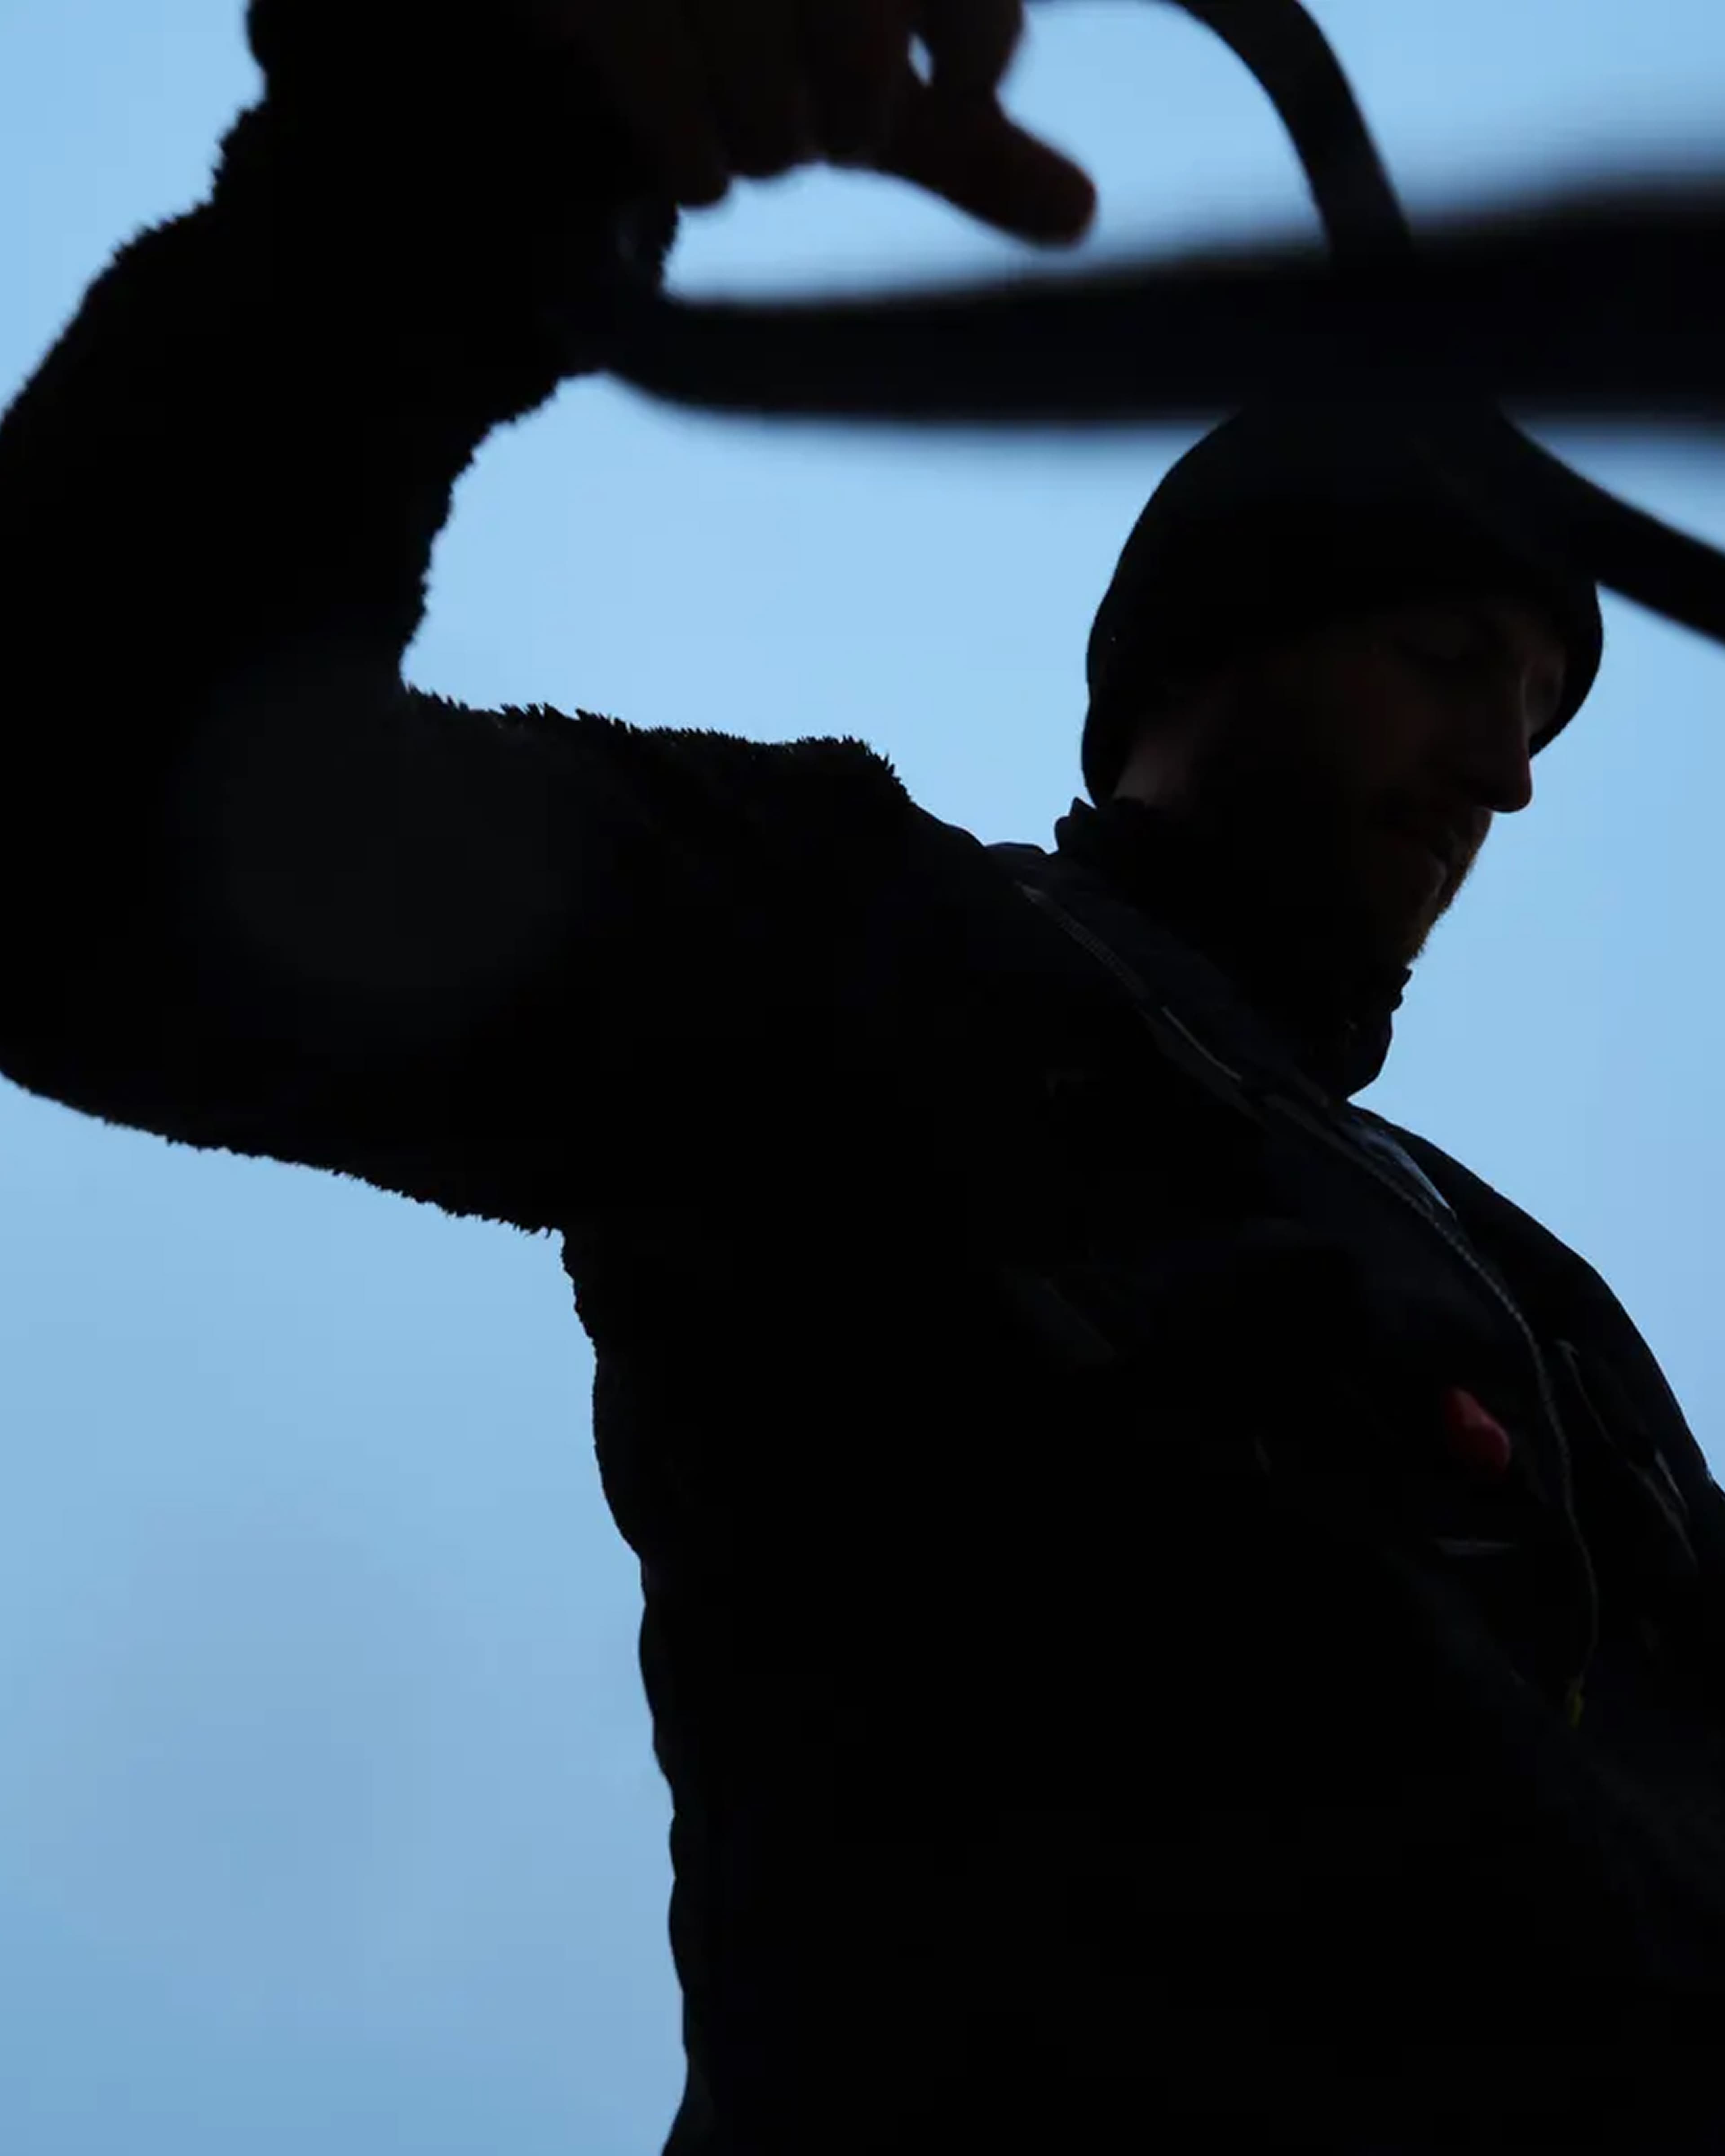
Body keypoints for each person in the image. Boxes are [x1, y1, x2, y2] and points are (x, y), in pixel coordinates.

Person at [4, 3, 1725, 2149]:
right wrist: (468, 155)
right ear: (1217, 649)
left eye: (1545, 724)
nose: (1503, 774)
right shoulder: (876, 953)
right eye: (1451, 664)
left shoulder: (1550, 1293)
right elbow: (74, 826)